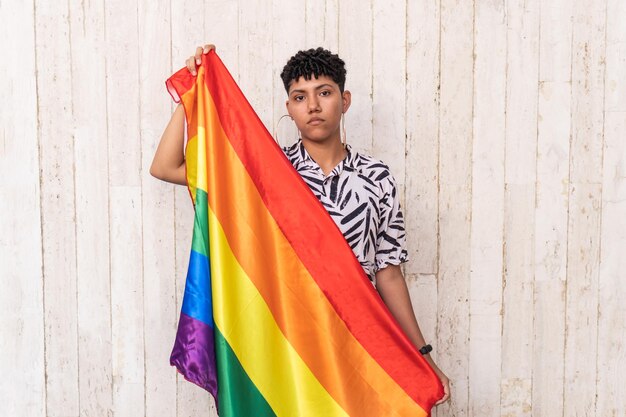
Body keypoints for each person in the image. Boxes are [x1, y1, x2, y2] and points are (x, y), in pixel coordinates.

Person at [151, 44, 450, 405]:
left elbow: (388, 273)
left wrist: (423, 355)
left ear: (345, 99)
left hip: (363, 342)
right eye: (300, 97)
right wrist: (194, 94)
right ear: (289, 108)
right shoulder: (266, 175)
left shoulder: (376, 177)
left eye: (324, 93)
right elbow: (165, 167)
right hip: (292, 342)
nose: (313, 106)